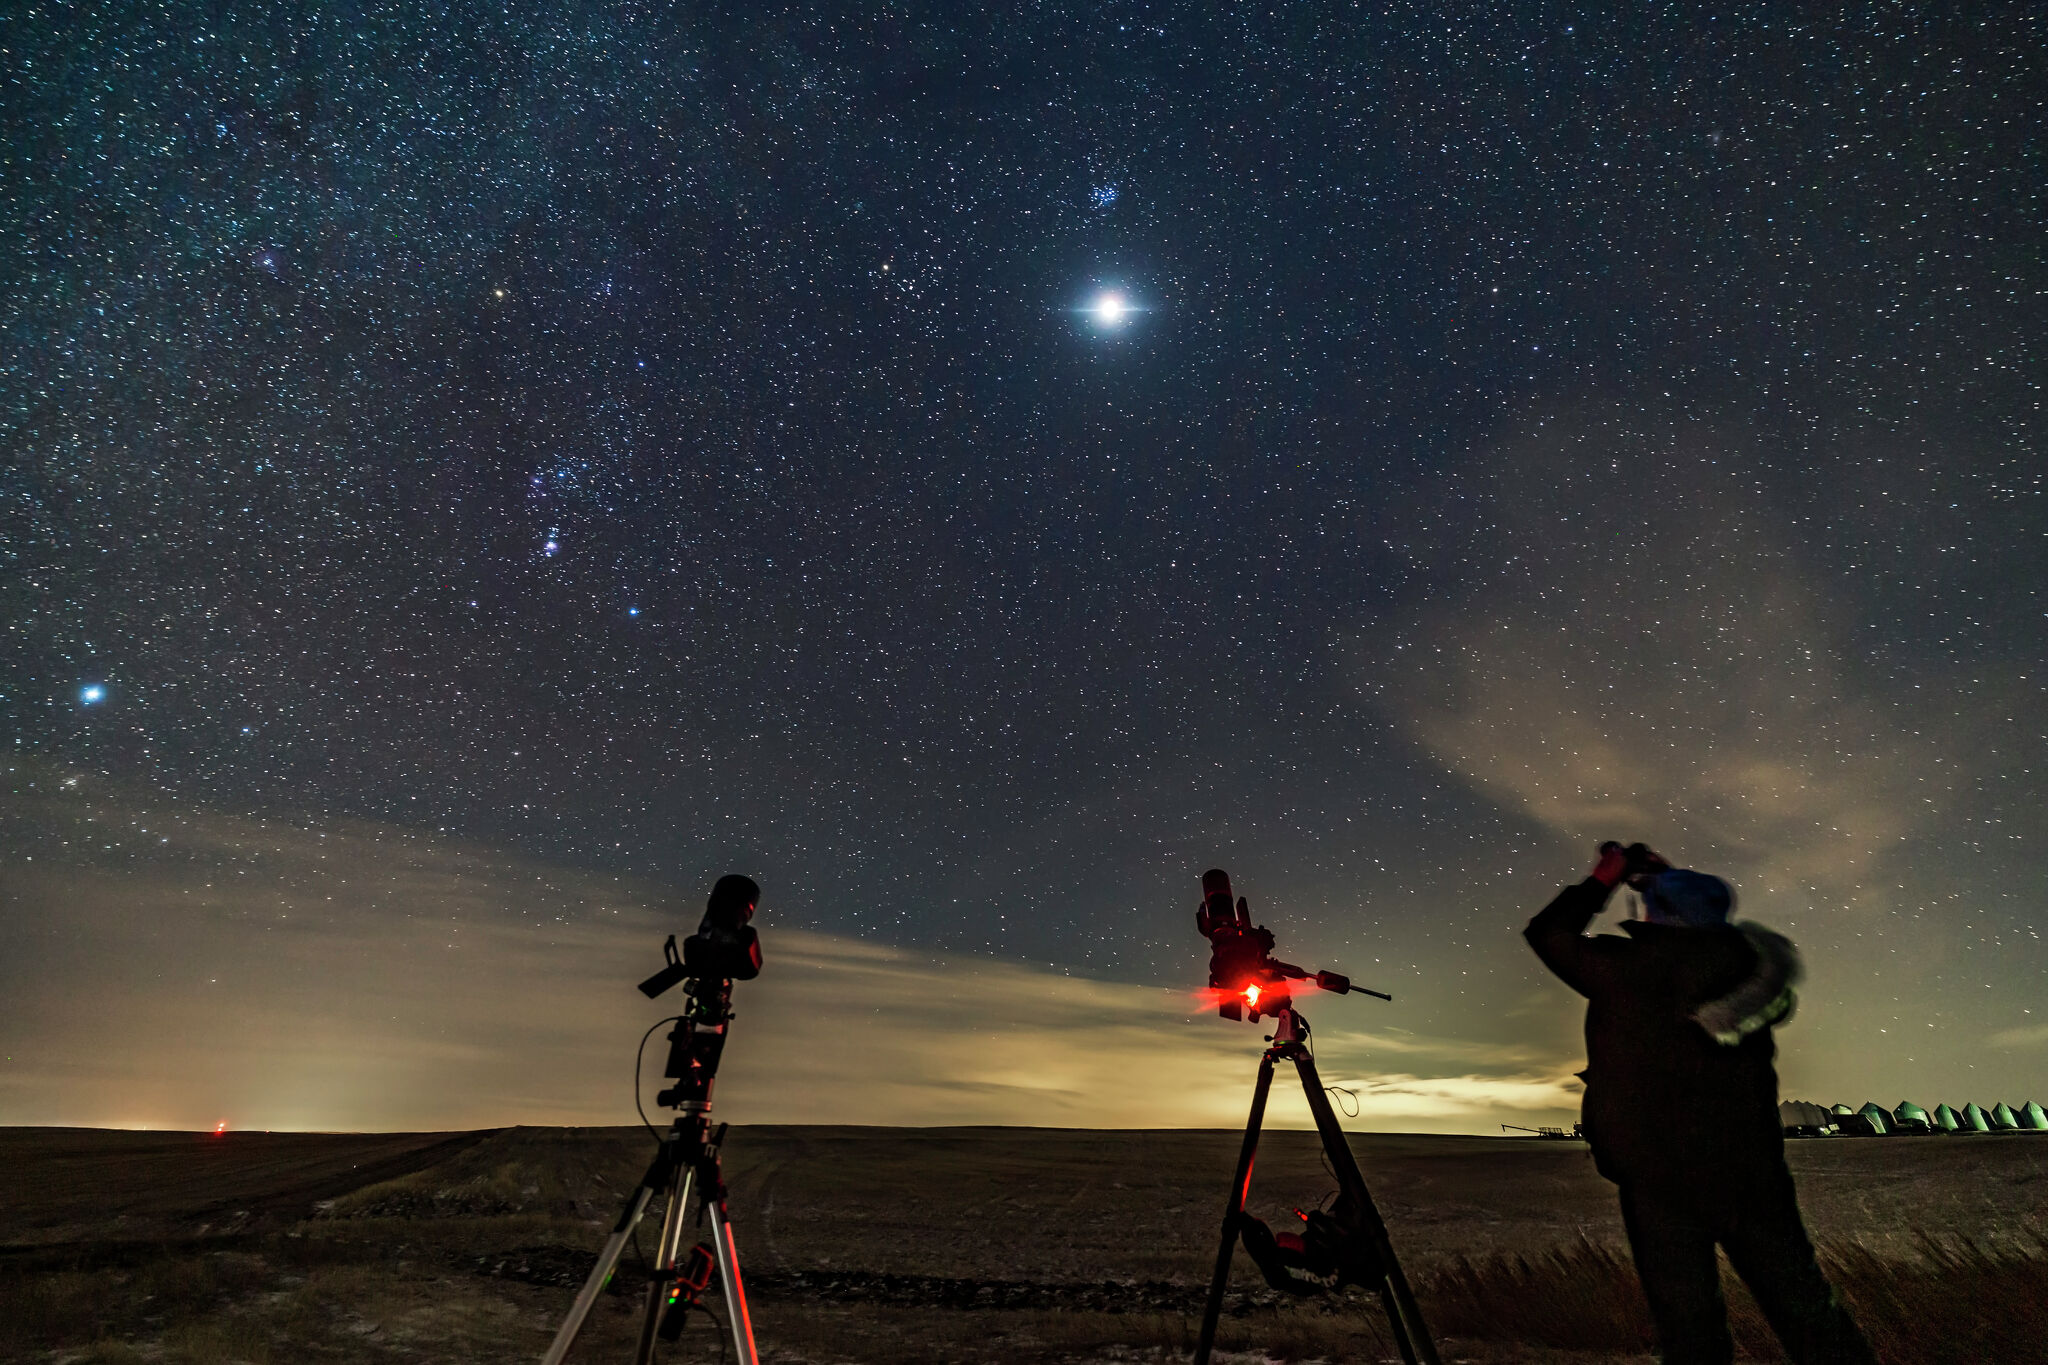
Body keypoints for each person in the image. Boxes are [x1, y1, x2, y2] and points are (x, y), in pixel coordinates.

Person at [1523, 842, 1877, 1365]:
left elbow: (1547, 934)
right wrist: (1673, 886)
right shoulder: (1751, 969)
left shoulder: (1629, 967)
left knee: (1691, 1333)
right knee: (1808, 1313)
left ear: (1658, 915)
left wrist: (1605, 878)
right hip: (1754, 1175)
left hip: (1660, 1182)